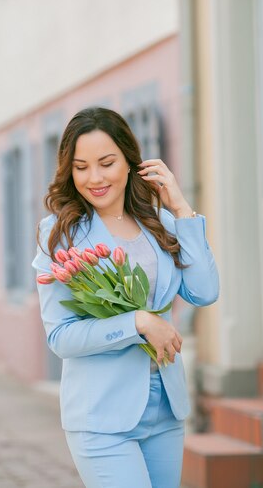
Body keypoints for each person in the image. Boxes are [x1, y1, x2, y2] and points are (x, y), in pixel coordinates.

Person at [32, 106, 219, 488]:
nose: (94, 178)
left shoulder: (161, 223)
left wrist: (182, 210)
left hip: (165, 406)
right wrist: (137, 322)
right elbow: (60, 337)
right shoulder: (60, 236)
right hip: (101, 415)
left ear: (130, 162)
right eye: (81, 166)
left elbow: (204, 292)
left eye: (106, 162)